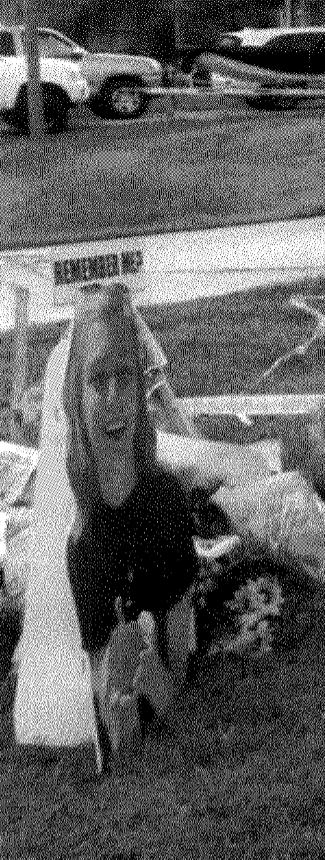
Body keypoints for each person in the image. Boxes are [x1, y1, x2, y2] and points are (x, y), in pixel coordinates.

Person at [62, 283, 199, 762]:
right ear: (76, 399)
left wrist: (162, 692)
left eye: (126, 377)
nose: (116, 397)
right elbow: (105, 682)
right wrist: (118, 713)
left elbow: (178, 664)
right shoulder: (84, 544)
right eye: (99, 381)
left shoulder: (165, 503)